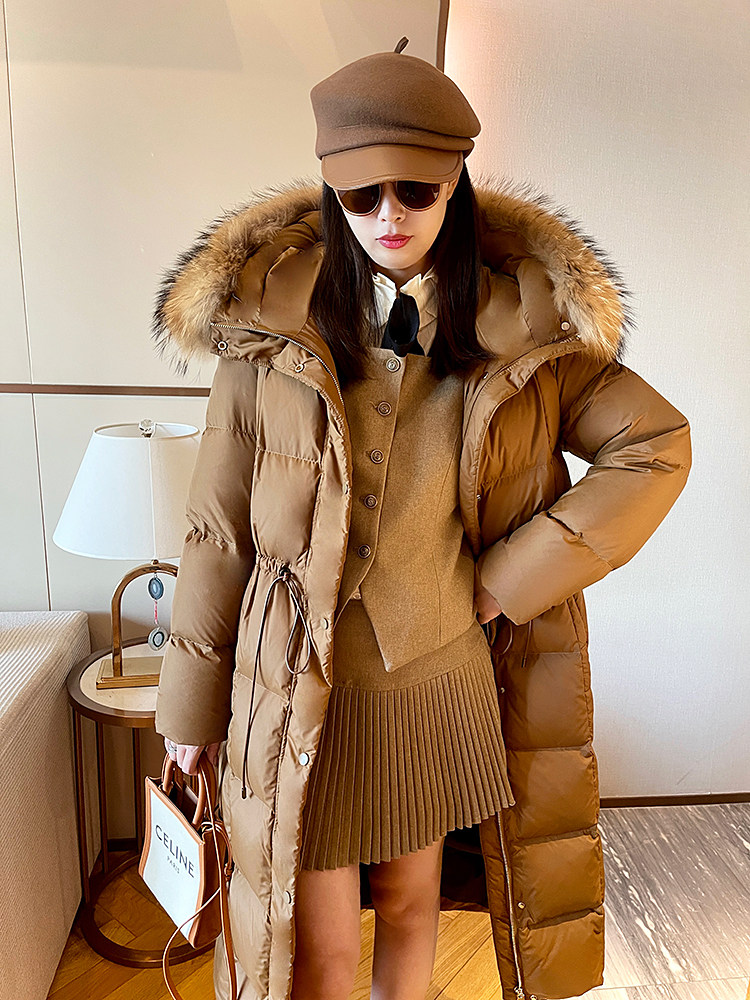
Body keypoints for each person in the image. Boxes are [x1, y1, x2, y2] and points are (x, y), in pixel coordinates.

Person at [153, 39, 691, 1000]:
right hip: (299, 687)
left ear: (455, 186)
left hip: (440, 683)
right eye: (363, 195)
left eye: (416, 190)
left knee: (413, 911)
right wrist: (189, 709)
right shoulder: (266, 330)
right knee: (315, 951)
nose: (389, 216)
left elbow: (655, 445)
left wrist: (509, 580)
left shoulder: (526, 330)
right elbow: (218, 527)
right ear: (333, 193)